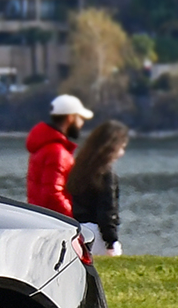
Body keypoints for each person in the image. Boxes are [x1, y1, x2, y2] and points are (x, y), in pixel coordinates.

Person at [65, 117, 129, 256]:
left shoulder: (80, 168)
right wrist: (111, 241)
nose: (122, 152)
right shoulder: (106, 173)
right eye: (122, 147)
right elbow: (107, 210)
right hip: (97, 234)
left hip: (79, 229)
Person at [24, 93, 91, 215]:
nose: (81, 123)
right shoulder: (57, 152)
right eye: (80, 118)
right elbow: (53, 194)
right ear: (70, 118)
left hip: (40, 220)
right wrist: (74, 219)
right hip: (55, 224)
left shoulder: (43, 147)